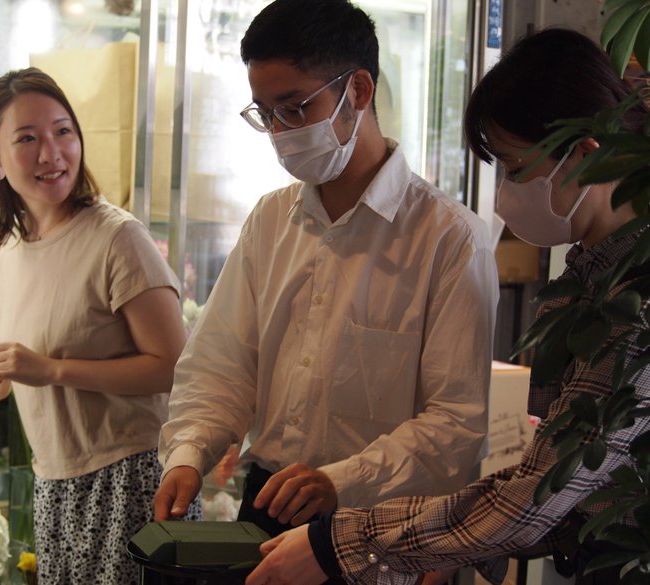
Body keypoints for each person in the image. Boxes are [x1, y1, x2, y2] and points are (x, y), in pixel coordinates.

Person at [243, 27, 650, 585]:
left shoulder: (632, 302)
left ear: (583, 153)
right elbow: (542, 486)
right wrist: (444, 541)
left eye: (515, 168)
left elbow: (540, 490)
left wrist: (340, 543)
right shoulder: (588, 275)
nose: (505, 194)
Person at [154, 0, 499, 542]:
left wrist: (341, 480)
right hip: (268, 503)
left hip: (380, 521)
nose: (279, 131)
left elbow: (456, 422)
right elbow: (222, 363)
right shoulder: (271, 219)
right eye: (265, 113)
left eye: (294, 108)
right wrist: (188, 453)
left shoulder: (449, 237)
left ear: (357, 90)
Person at [0, 67, 200, 584]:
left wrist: (52, 370)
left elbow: (173, 367)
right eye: (27, 138)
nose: (52, 154)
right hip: (54, 486)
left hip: (132, 481)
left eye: (63, 131)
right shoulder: (3, 251)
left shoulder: (118, 239)